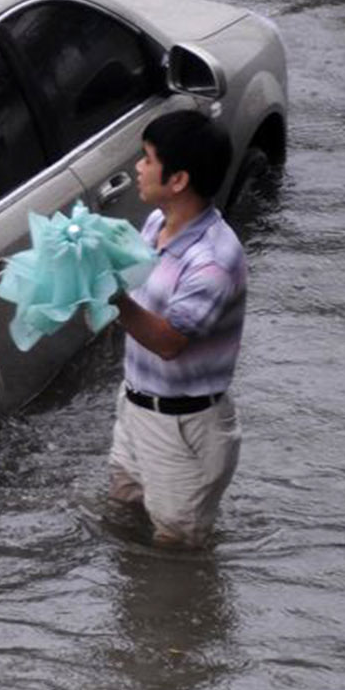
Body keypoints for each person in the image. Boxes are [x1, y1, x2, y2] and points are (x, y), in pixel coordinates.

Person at [107, 109, 247, 545]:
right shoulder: (156, 224)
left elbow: (168, 342)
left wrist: (110, 295)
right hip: (135, 404)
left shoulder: (213, 261)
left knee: (176, 550)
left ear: (178, 180)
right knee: (122, 509)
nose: (138, 167)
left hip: (182, 429)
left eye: (147, 158)